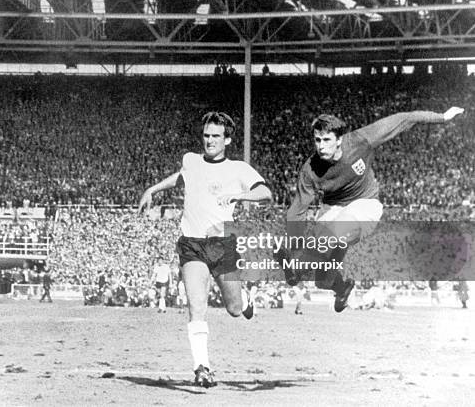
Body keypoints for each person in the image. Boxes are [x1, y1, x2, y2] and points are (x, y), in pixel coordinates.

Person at [284, 107, 465, 312]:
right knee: (322, 280)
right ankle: (342, 288)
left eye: (326, 140)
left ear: (340, 139)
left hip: (365, 204)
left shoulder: (361, 140)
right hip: (333, 209)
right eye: (317, 140)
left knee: (330, 235)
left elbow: (402, 118)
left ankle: (300, 267)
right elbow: (296, 211)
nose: (321, 146)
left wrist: (441, 116)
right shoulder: (310, 170)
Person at [138, 111, 272, 388]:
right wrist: (153, 189)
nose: (209, 141)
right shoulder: (191, 159)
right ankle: (202, 368)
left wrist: (239, 194)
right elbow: (182, 177)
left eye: (216, 136)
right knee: (196, 306)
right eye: (206, 135)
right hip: (192, 244)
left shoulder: (238, 169)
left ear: (228, 139)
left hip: (222, 245)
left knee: (234, 308)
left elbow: (266, 193)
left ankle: (245, 300)